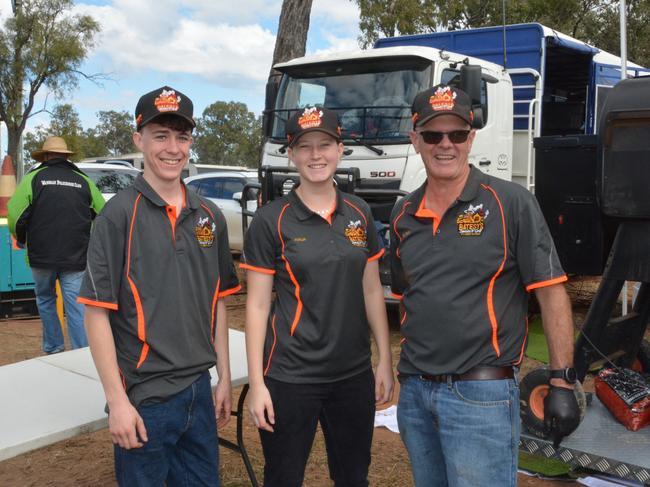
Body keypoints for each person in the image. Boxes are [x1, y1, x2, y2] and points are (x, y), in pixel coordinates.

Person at [390, 84, 580, 487]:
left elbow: (551, 292)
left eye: (457, 134)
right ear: (415, 140)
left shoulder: (510, 202)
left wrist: (562, 379)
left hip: (481, 397)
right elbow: (407, 292)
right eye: (432, 135)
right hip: (415, 395)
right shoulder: (403, 213)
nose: (445, 144)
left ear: (471, 137)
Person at [77, 86, 240, 486]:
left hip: (199, 391)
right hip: (144, 398)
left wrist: (224, 377)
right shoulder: (117, 216)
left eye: (182, 137)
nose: (173, 148)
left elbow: (216, 301)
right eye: (161, 135)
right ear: (139, 139)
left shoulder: (209, 216)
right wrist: (117, 402)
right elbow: (96, 313)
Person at [243, 106, 394, 487]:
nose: (315, 155)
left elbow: (372, 288)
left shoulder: (358, 212)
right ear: (291, 154)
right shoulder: (270, 220)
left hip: (353, 374)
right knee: (283, 477)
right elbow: (258, 305)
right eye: (304, 146)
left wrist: (385, 360)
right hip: (290, 377)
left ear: (340, 149)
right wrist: (258, 384)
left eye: (324, 144)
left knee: (353, 477)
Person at [8, 136, 105, 353]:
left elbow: (15, 214)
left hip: (41, 256)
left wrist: (22, 238)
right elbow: (103, 213)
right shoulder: (83, 181)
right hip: (76, 256)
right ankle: (81, 352)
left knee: (45, 299)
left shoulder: (33, 178)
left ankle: (54, 348)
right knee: (76, 305)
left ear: (46, 156)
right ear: (66, 157)